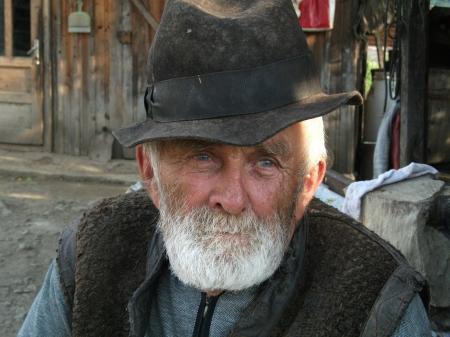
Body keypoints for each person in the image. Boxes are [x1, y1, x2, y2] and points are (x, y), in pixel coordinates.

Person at [18, 0, 432, 336]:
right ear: (150, 172)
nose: (232, 200)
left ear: (308, 181)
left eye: (265, 163)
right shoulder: (96, 252)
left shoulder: (375, 301)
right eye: (203, 157)